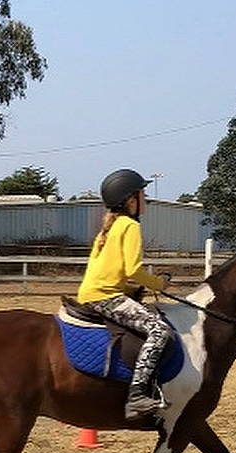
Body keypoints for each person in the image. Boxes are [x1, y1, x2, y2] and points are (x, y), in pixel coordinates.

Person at [77, 169, 171, 420]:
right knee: (160, 331)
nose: (145, 198)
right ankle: (137, 396)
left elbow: (106, 270)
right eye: (142, 194)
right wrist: (158, 284)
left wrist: (130, 290)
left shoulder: (108, 228)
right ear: (131, 200)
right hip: (105, 297)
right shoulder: (129, 226)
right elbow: (133, 270)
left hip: (92, 293)